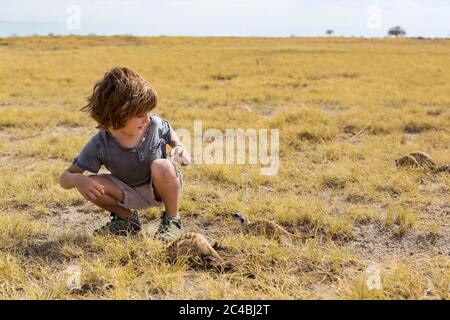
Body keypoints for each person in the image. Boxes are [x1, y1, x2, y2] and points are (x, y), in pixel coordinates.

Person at [58, 67, 190, 241]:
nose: (147, 119)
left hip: (158, 188)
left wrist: (178, 146)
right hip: (125, 192)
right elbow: (64, 178)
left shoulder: (154, 125)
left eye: (148, 112)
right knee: (91, 181)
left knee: (162, 165)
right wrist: (77, 180)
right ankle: (126, 220)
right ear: (115, 117)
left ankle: (173, 220)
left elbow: (168, 131)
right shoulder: (100, 143)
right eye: (140, 115)